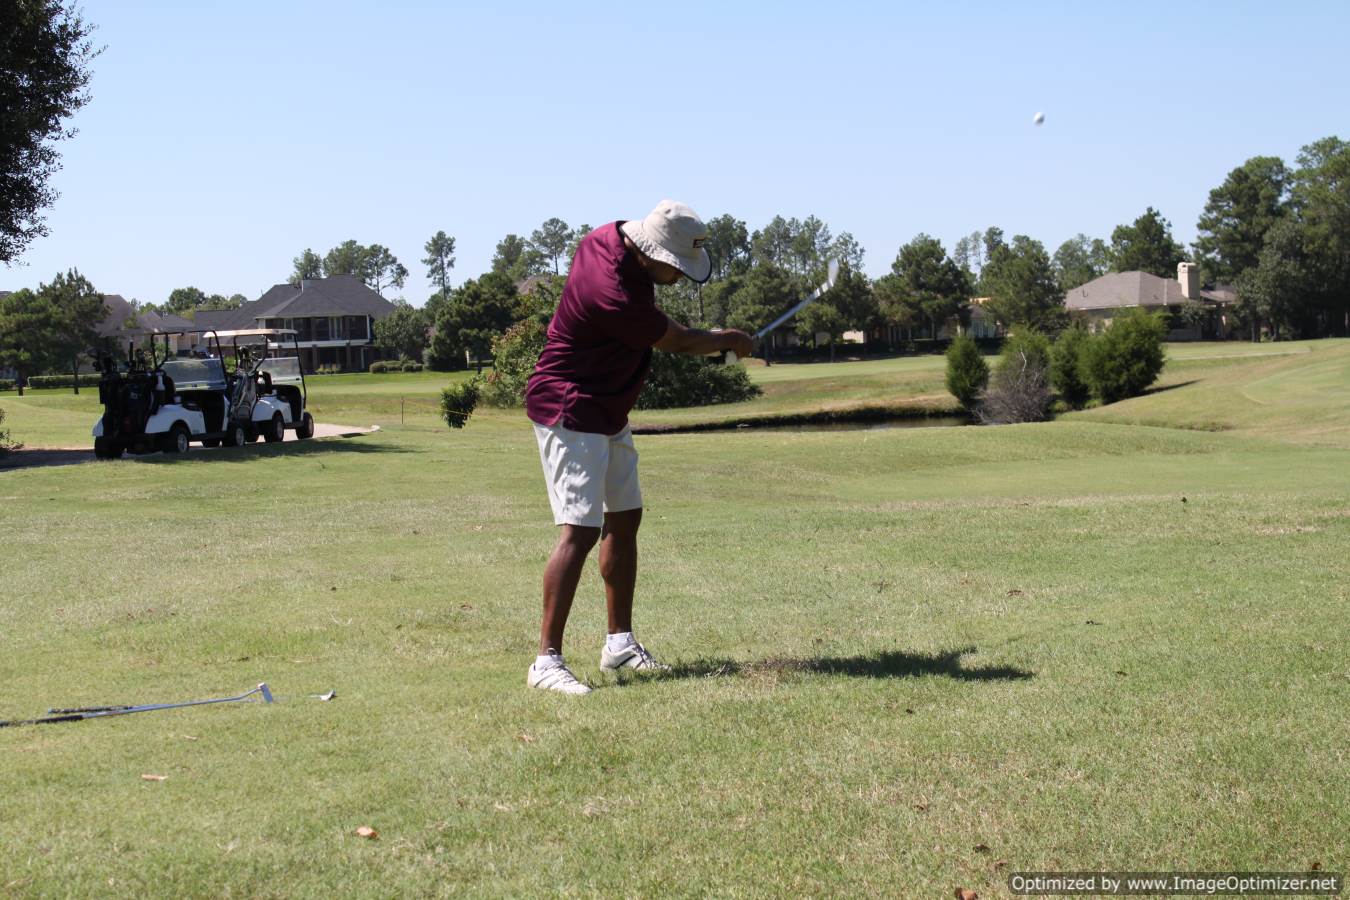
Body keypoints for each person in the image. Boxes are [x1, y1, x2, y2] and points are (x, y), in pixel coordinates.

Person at [523, 200, 753, 695]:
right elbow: (677, 340)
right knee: (579, 532)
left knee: (625, 517)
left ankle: (619, 644)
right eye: (674, 268)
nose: (676, 276)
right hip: (571, 405)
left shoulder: (607, 237)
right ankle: (545, 661)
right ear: (650, 254)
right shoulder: (615, 295)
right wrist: (725, 339)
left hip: (608, 407)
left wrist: (716, 341)